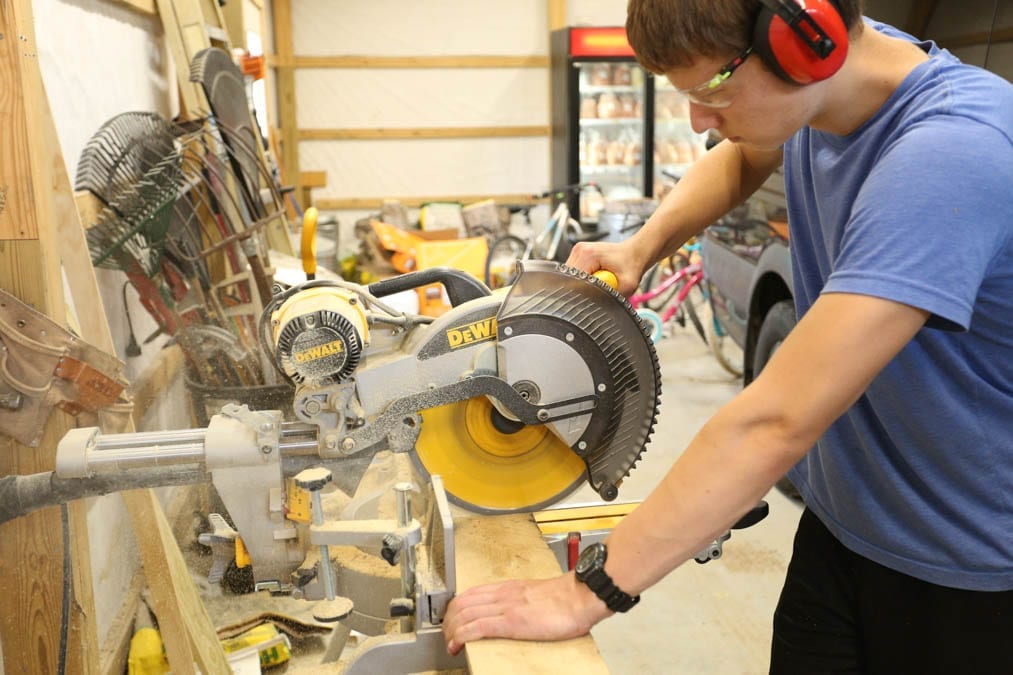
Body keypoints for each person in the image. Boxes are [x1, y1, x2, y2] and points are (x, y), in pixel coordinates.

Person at [443, 0, 1013, 671]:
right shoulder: (829, 86)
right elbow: (744, 157)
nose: (695, 119)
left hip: (962, 562)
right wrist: (641, 246)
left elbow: (774, 420)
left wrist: (586, 590)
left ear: (811, 44)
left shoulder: (950, 150)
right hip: (845, 523)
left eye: (711, 89)